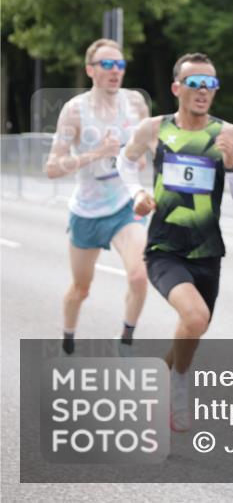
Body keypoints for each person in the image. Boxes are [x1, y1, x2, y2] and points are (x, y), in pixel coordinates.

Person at [117, 53, 233, 432]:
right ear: (177, 87)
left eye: (210, 84)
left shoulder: (228, 134)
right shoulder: (154, 128)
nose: (203, 91)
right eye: (194, 83)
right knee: (193, 317)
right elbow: (125, 162)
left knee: (196, 326)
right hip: (164, 246)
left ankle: (157, 379)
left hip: (208, 248)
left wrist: (231, 168)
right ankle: (178, 386)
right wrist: (136, 194)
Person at [45, 39, 150, 357]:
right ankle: (68, 336)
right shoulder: (74, 111)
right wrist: (96, 154)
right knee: (81, 288)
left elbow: (149, 145)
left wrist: (141, 156)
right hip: (88, 210)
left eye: (120, 65)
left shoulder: (135, 104)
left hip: (124, 204)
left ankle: (126, 342)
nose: (115, 70)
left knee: (139, 274)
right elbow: (52, 167)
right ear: (90, 70)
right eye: (107, 64)